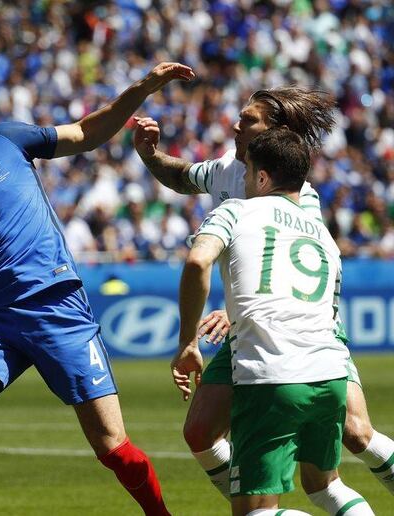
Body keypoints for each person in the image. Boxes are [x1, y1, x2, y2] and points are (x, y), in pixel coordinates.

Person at [0, 60, 195, 516]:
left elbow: (88, 131)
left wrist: (144, 87)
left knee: (112, 447)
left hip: (57, 310)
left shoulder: (5, 141)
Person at [134, 87, 394, 498]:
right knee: (200, 432)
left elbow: (290, 271)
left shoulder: (300, 198)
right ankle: (250, 499)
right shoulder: (224, 170)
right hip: (250, 328)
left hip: (299, 326)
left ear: (276, 134)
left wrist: (231, 308)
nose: (236, 125)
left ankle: (256, 505)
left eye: (249, 120)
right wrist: (150, 155)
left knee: (356, 435)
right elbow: (181, 177)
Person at [175, 128, 373, 516]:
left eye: (248, 173)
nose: (245, 181)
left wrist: (187, 343)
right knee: (326, 487)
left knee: (256, 511)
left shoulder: (236, 210)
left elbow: (198, 261)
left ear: (262, 177)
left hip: (271, 375)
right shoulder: (324, 236)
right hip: (330, 374)